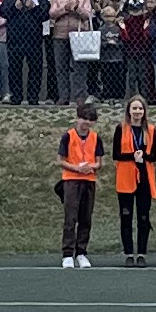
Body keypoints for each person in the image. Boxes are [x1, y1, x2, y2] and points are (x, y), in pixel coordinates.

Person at [109, 95, 156, 268]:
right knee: (126, 216)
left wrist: (143, 156)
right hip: (125, 178)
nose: (137, 112)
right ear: (129, 111)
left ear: (144, 111)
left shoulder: (151, 130)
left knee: (143, 217)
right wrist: (132, 156)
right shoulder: (121, 128)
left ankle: (142, 253)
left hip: (144, 178)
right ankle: (129, 253)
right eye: (134, 108)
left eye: (140, 108)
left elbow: (154, 155)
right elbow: (116, 154)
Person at [54, 104, 104, 269]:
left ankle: (81, 252)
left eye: (90, 120)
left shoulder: (96, 138)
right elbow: (60, 160)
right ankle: (68, 253)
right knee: (70, 218)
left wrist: (90, 167)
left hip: (89, 180)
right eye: (84, 118)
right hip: (71, 180)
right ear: (77, 118)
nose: (86, 123)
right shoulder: (68, 136)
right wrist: (77, 168)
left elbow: (99, 162)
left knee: (86, 217)